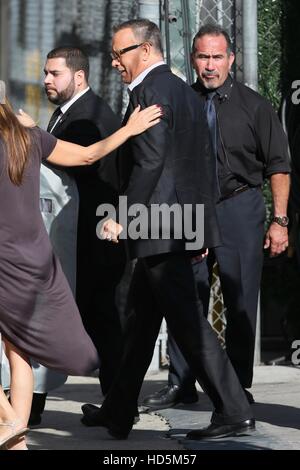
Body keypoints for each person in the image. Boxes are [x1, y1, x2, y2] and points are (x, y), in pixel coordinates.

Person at [81, 19, 254, 441]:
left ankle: (233, 409)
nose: (115, 62)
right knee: (141, 323)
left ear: (144, 48)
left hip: (159, 224)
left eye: (119, 53)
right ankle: (119, 410)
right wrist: (198, 228)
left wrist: (125, 215)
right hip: (176, 224)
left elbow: (151, 161)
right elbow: (196, 164)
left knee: (188, 322)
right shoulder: (180, 89)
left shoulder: (151, 91)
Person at [0, 86, 161, 450]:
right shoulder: (30, 137)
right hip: (31, 257)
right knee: (19, 351)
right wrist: (129, 129)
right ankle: (16, 439)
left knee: (14, 349)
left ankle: (9, 422)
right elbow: (88, 155)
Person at [143, 23, 291, 411]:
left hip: (239, 206)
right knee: (185, 295)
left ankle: (236, 387)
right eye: (203, 57)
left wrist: (280, 221)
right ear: (193, 59)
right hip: (191, 207)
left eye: (217, 57)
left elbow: (279, 166)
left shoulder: (254, 106)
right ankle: (181, 383)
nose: (210, 66)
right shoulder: (181, 101)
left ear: (231, 59)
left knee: (239, 297)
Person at [27, 45, 127, 425]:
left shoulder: (89, 117)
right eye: (46, 73)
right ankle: (116, 407)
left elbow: (82, 164)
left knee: (99, 322)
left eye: (55, 73)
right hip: (78, 239)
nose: (46, 80)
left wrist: (30, 138)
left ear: (79, 76)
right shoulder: (71, 112)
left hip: (92, 240)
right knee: (100, 323)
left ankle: (116, 408)